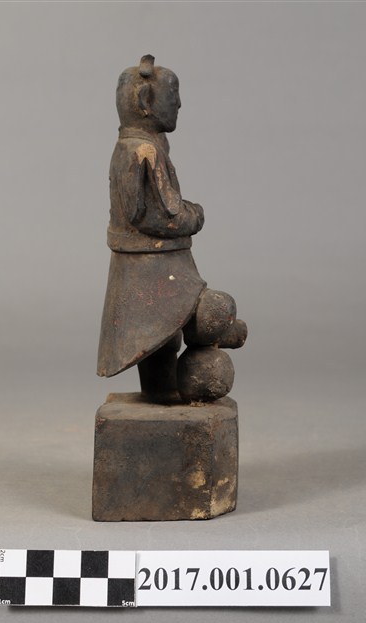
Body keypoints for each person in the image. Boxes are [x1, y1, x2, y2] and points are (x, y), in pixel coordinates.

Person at [97, 55, 246, 403]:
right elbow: (161, 216)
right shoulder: (141, 150)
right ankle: (197, 372)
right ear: (145, 102)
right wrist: (195, 215)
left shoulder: (140, 147)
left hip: (150, 269)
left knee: (162, 340)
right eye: (173, 95)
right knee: (213, 311)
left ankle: (162, 391)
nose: (179, 104)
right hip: (152, 273)